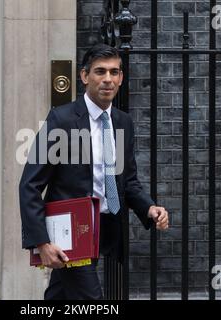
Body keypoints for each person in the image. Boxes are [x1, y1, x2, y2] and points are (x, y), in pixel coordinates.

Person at [19, 44, 169, 300]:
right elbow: (30, 184)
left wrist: (149, 208)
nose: (108, 79)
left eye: (114, 72)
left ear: (121, 78)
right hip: (70, 235)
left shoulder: (123, 122)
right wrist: (41, 242)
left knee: (59, 297)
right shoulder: (62, 120)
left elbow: (128, 181)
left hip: (105, 231)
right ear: (84, 76)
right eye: (100, 72)